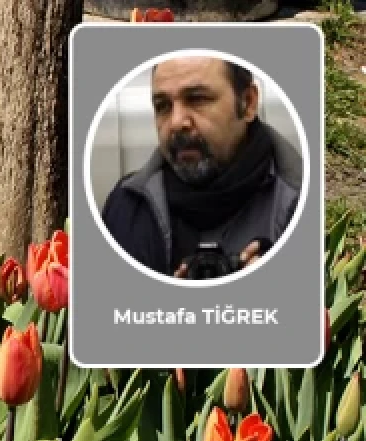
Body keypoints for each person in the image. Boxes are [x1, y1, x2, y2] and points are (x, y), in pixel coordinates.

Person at [101, 56, 302, 280]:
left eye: (197, 99)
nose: (176, 122)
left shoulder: (300, 207)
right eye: (162, 106)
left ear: (248, 103)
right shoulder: (125, 208)